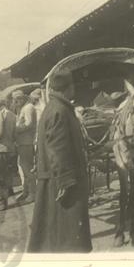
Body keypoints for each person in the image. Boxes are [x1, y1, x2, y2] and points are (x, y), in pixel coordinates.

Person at [28, 70, 92, 253]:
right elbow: (58, 149)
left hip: (54, 179)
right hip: (61, 182)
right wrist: (67, 181)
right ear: (68, 88)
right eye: (73, 86)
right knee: (68, 234)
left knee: (54, 231)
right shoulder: (60, 111)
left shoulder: (55, 107)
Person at [0, 95, 17, 211]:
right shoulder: (12, 114)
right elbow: (15, 133)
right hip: (10, 148)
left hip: (0, 148)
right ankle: (5, 201)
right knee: (7, 175)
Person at [13, 91, 37, 203]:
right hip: (23, 142)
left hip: (26, 142)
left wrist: (15, 129)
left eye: (17, 99)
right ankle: (27, 192)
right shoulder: (24, 108)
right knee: (23, 167)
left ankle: (32, 194)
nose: (15, 102)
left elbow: (29, 124)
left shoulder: (28, 108)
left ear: (23, 98)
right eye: (14, 99)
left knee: (27, 169)